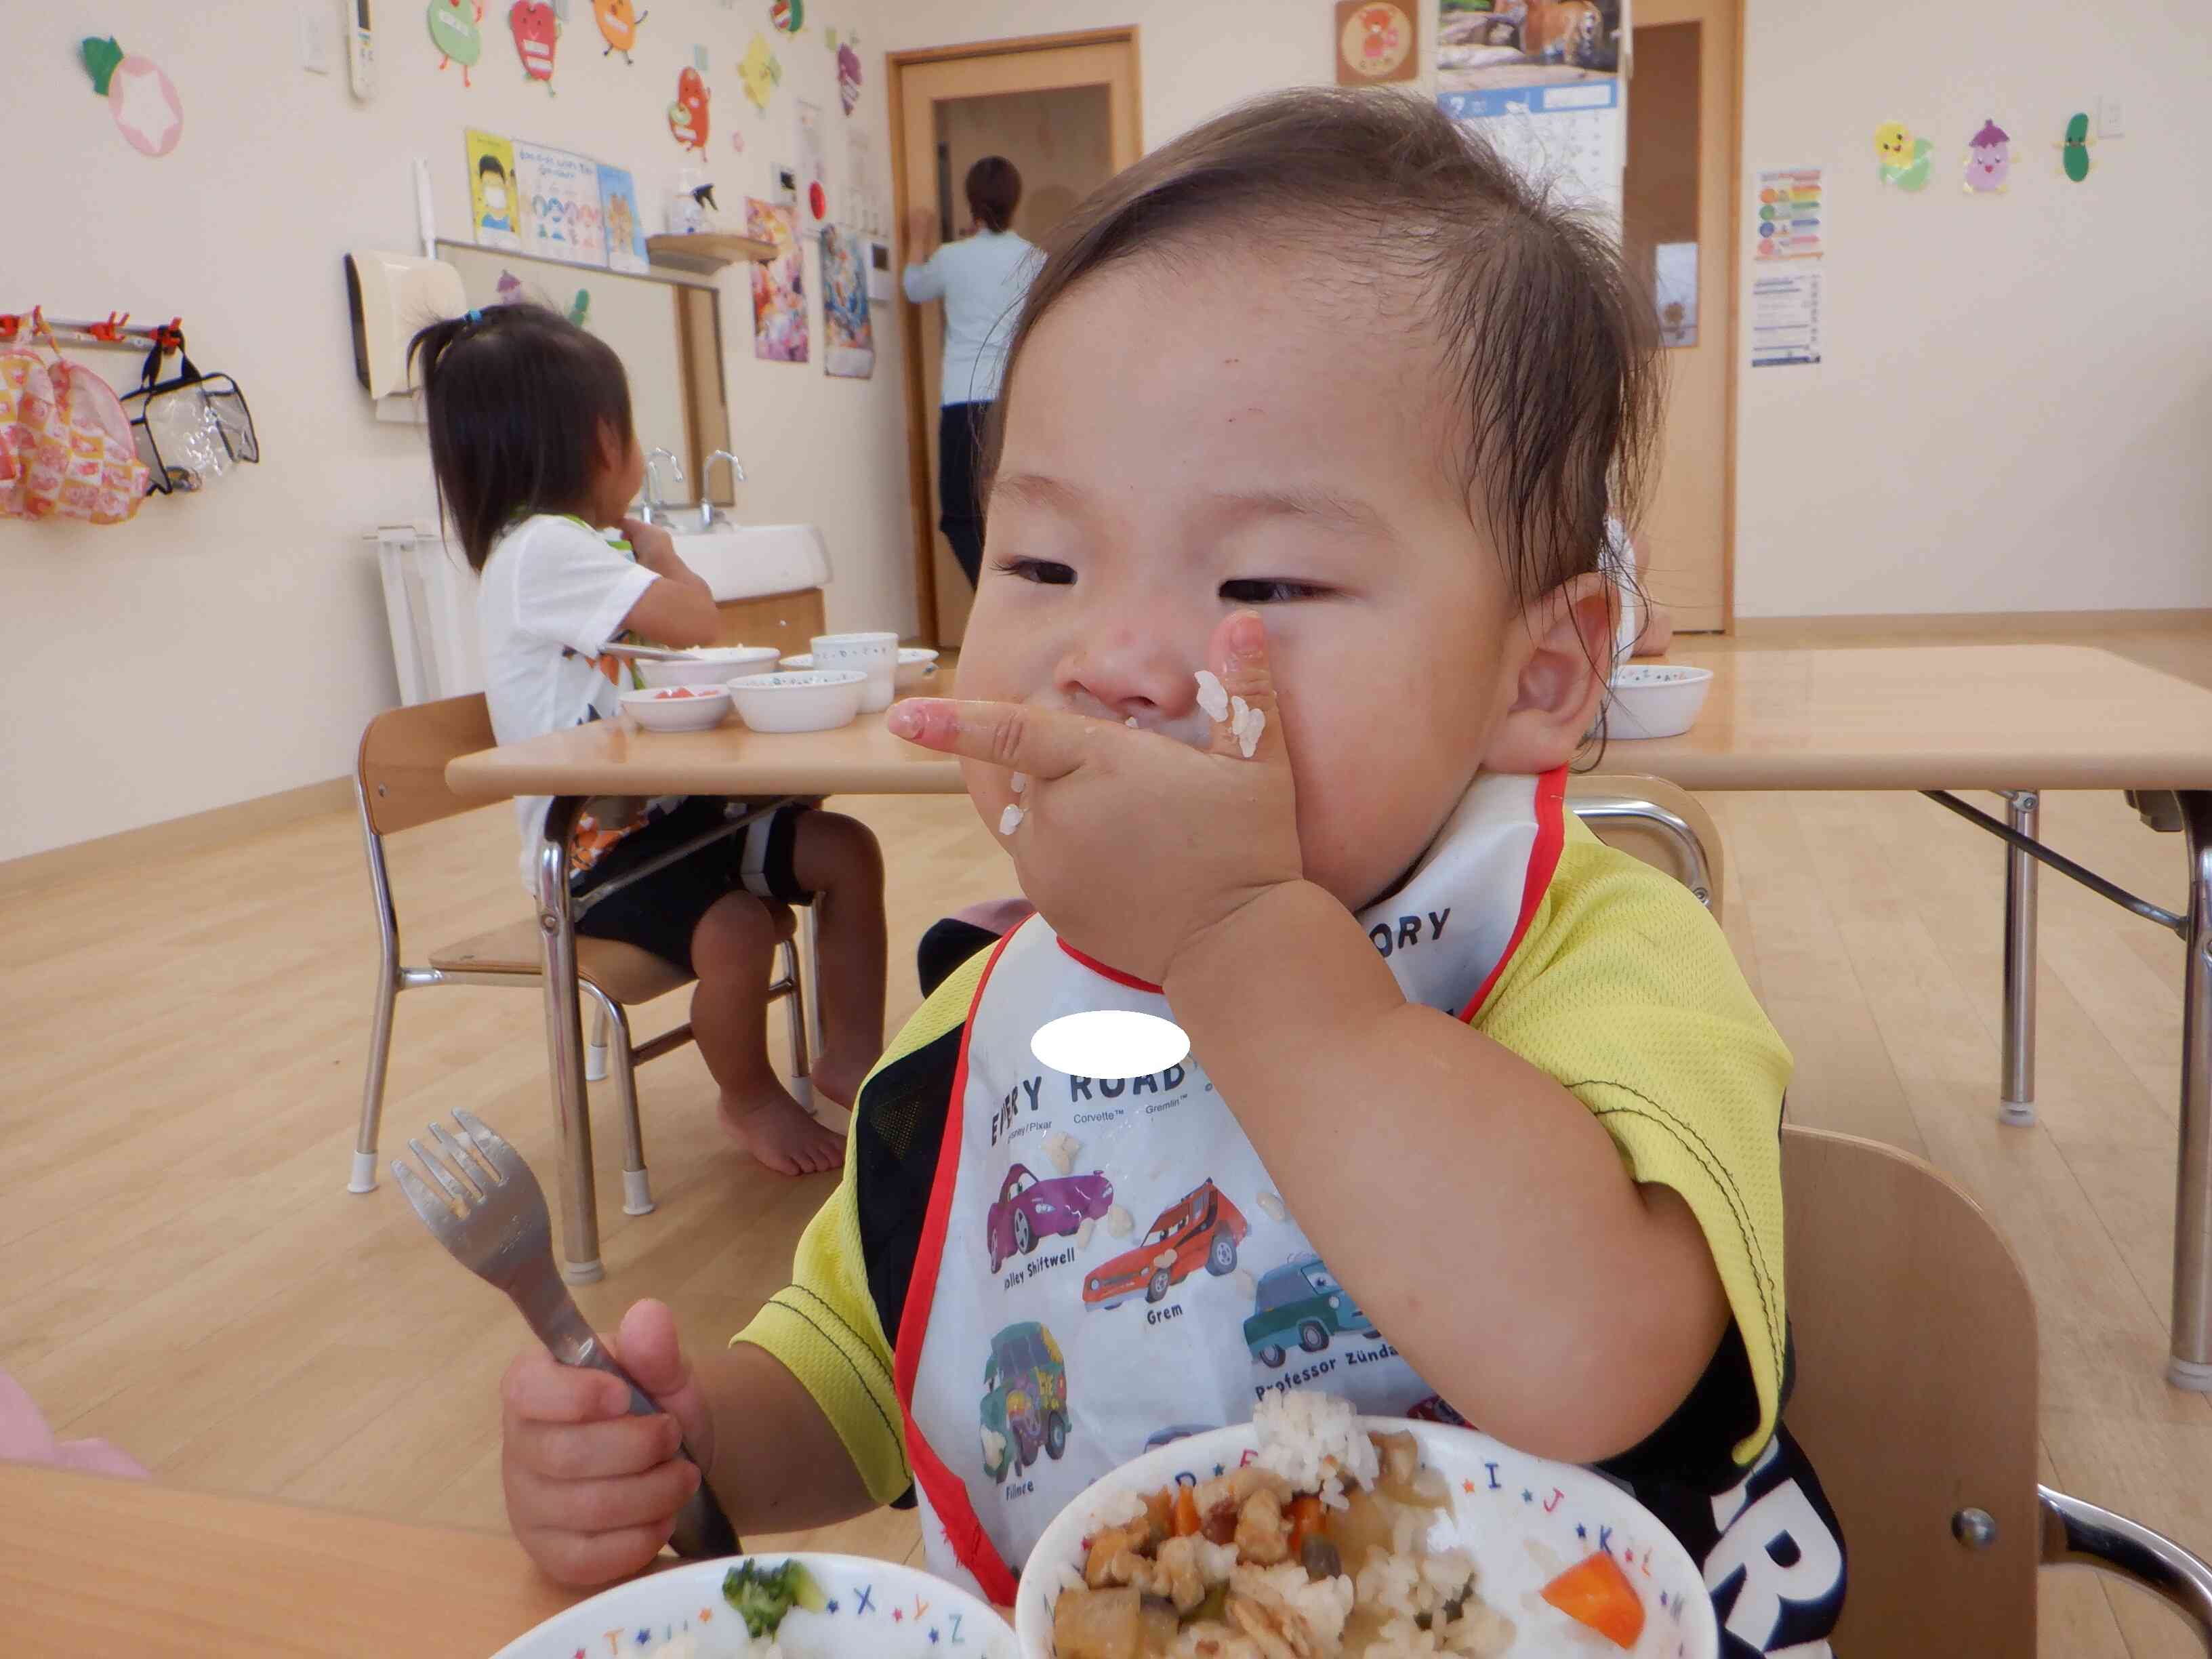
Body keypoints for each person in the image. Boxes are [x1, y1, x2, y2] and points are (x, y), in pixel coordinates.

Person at [495, 94, 1844, 1654]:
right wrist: (682, 1433)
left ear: (1541, 672)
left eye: (1263, 578)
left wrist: (1239, 938)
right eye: (1044, 565)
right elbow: (871, 1365)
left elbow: (1591, 1352)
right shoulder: (978, 1038)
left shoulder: (1595, 955)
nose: (1114, 657)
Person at [409, 304, 886, 1177]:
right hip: (595, 855)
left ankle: (850, 1061)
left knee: (844, 851)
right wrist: (663, 551)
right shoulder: (545, 549)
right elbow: (695, 618)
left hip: (675, 823)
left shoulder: (556, 549)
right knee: (740, 927)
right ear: (602, 439)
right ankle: (745, 1094)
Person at [902, 156, 1039, 590]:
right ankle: (1019, 598)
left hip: (963, 399)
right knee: (1020, 509)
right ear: (1015, 202)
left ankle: (995, 597)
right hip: (1016, 401)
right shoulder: (1035, 260)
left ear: (971, 202)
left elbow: (913, 286)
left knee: (960, 516)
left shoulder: (951, 258)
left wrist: (918, 236)